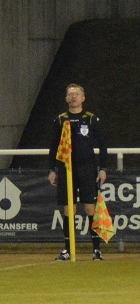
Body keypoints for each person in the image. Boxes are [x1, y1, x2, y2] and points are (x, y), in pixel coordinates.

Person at [48, 83, 110, 261]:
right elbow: (53, 147)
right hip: (66, 169)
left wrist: (103, 168)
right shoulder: (60, 120)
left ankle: (96, 249)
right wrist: (52, 169)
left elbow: (103, 145)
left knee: (90, 207)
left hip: (87, 168)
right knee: (69, 209)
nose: (73, 96)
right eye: (70, 94)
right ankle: (68, 250)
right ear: (66, 98)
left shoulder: (91, 119)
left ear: (83, 98)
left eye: (76, 94)